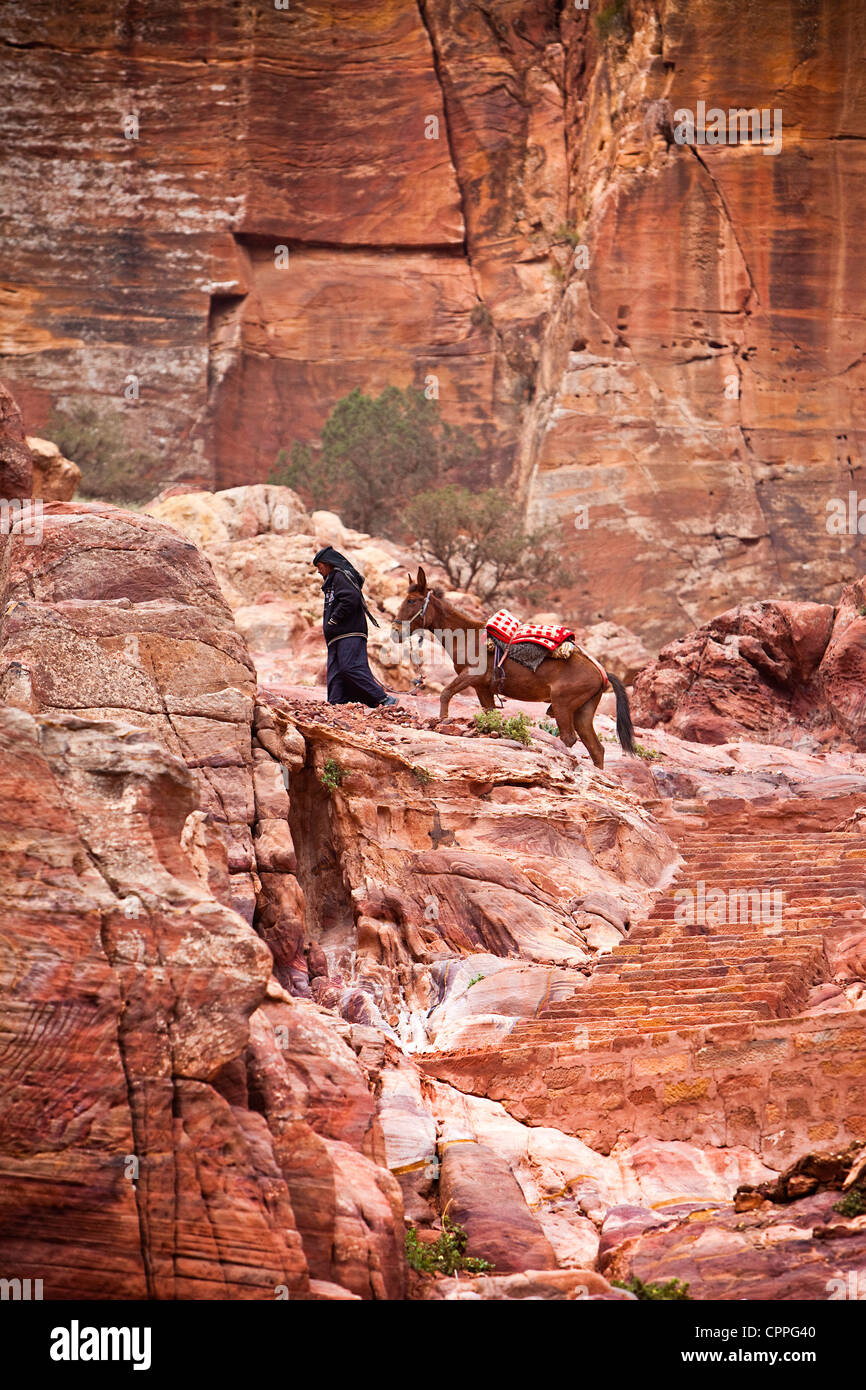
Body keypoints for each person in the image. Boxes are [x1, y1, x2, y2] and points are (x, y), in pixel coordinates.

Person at [312, 546, 398, 708]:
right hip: (337, 636)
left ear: (328, 563)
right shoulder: (333, 580)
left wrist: (334, 620)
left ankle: (383, 699)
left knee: (350, 667)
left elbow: (351, 598)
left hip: (349, 633)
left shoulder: (340, 576)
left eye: (320, 567)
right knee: (336, 673)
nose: (319, 571)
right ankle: (337, 705)